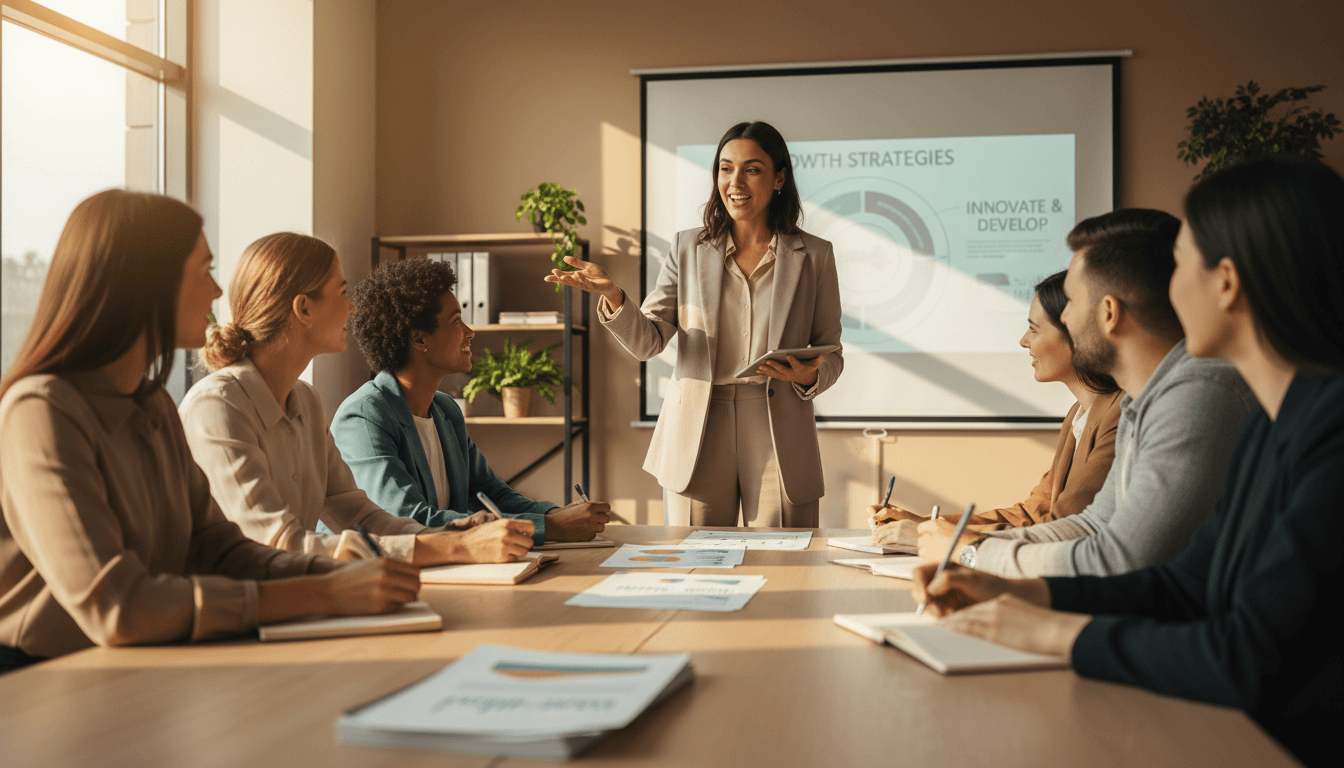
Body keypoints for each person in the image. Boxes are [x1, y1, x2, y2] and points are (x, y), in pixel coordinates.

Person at [912, 156, 1343, 768]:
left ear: (1225, 283)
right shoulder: (1274, 424)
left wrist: (1053, 632)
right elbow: (1185, 583)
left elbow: (1248, 658)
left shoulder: (1326, 427)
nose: (1166, 289)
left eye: (1182, 266)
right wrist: (1021, 594)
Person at [0, 191, 418, 673]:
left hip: (139, 666)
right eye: (205, 271)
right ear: (147, 285)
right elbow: (120, 607)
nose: (219, 293)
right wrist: (322, 591)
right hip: (39, 677)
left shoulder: (152, 402)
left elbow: (215, 547)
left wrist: (339, 573)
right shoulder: (41, 411)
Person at [918, 209, 1256, 577]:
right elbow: (1092, 525)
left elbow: (1120, 559)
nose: (1063, 319)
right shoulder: (1138, 399)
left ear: (1109, 313)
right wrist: (972, 548)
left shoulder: (1196, 396)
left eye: (1072, 301)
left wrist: (969, 554)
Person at [546, 121, 843, 527]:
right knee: (694, 564)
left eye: (752, 169)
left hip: (779, 427)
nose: (735, 181)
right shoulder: (687, 248)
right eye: (725, 168)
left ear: (779, 178)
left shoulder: (815, 255)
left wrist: (811, 376)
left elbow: (831, 353)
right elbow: (649, 342)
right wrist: (613, 296)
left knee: (785, 559)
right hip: (699, 427)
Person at [179, 233, 534, 565]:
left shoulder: (305, 400)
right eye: (343, 292)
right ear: (304, 309)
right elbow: (278, 543)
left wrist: (442, 535)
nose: (352, 308)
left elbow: (360, 514)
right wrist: (452, 547)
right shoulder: (217, 407)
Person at [332, 257, 609, 547]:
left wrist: (557, 514)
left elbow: (491, 493)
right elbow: (406, 520)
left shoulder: (445, 410)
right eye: (456, 321)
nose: (469, 331)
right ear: (419, 339)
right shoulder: (365, 415)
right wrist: (547, 527)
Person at [870, 270, 1124, 547]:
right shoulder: (1079, 413)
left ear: (1076, 335)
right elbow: (1031, 514)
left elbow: (1060, 528)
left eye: (1034, 329)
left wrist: (940, 539)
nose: (1024, 341)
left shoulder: (1118, 415)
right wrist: (927, 525)